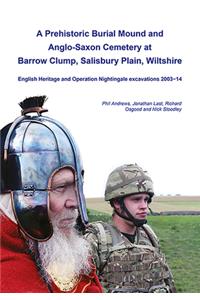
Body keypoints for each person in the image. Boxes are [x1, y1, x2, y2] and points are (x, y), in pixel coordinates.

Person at [0, 96, 102, 293]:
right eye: (60, 187)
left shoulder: (67, 251)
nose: (75, 202)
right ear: (20, 197)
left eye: (76, 186)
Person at [84, 163, 176, 293]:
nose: (144, 206)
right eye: (136, 199)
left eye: (146, 200)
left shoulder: (149, 235)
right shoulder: (97, 240)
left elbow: (168, 282)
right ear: (116, 202)